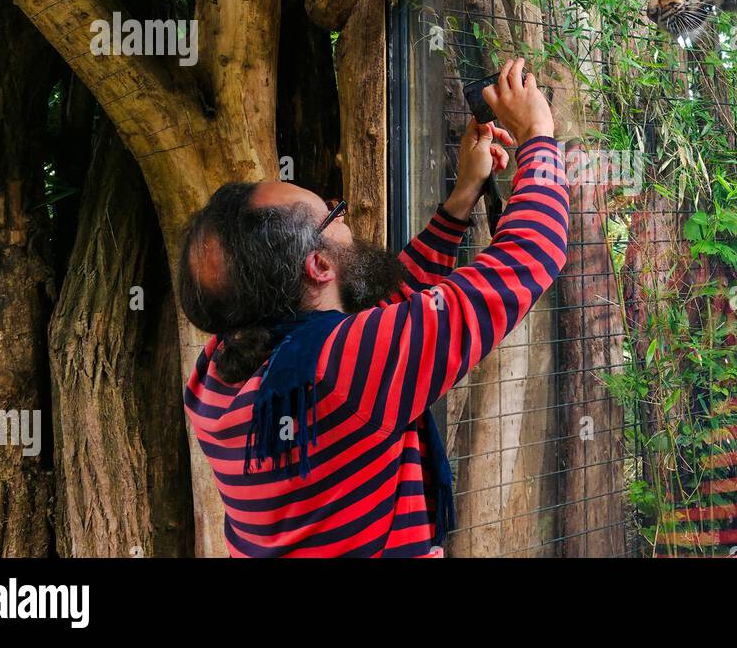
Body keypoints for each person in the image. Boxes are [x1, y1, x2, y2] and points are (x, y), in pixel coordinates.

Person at [179, 58, 566, 557]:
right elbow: (531, 254)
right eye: (332, 213)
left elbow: (390, 315)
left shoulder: (214, 377)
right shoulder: (342, 370)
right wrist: (538, 133)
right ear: (318, 266)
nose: (343, 216)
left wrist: (464, 195)